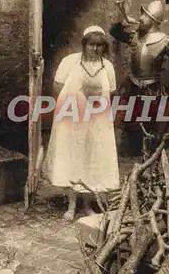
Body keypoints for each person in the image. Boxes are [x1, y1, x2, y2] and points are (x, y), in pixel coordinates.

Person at [42, 25, 120, 221]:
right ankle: (71, 204)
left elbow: (110, 92)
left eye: (99, 45)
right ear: (84, 45)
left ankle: (87, 204)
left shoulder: (107, 66)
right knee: (73, 157)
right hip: (73, 118)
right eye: (91, 45)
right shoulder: (70, 62)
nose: (95, 49)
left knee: (92, 159)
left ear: (104, 47)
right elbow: (58, 87)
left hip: (97, 120)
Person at [110, 0, 169, 159]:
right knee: (131, 119)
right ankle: (133, 153)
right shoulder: (135, 36)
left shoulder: (165, 41)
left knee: (152, 120)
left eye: (145, 15)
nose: (141, 17)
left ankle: (151, 154)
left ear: (154, 20)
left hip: (152, 87)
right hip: (134, 84)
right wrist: (124, 21)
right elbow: (114, 32)